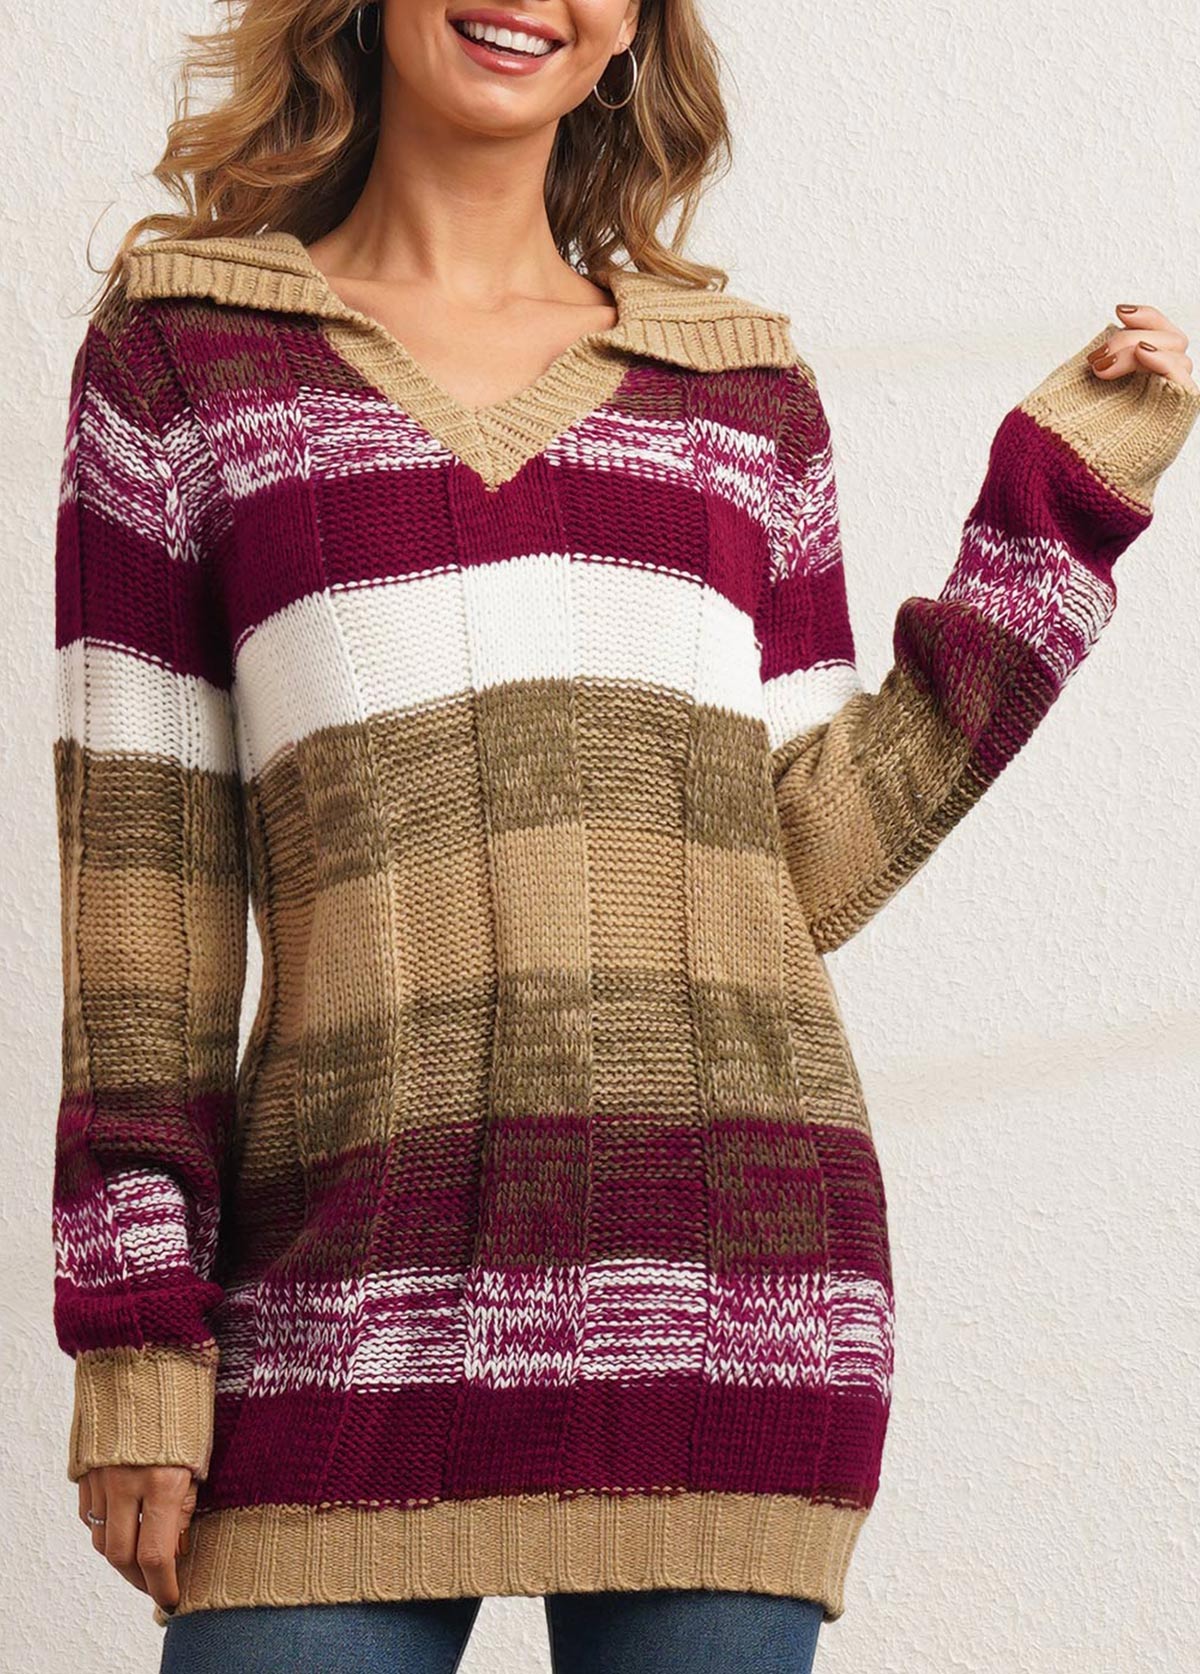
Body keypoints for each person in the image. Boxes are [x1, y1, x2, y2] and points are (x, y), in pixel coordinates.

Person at [49, 2, 1198, 1671]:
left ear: (633, 35)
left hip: (732, 1292)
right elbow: (141, 901)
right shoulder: (185, 360)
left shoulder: (739, 392)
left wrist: (1055, 527)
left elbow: (801, 857)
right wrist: (136, 1329)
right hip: (342, 1295)